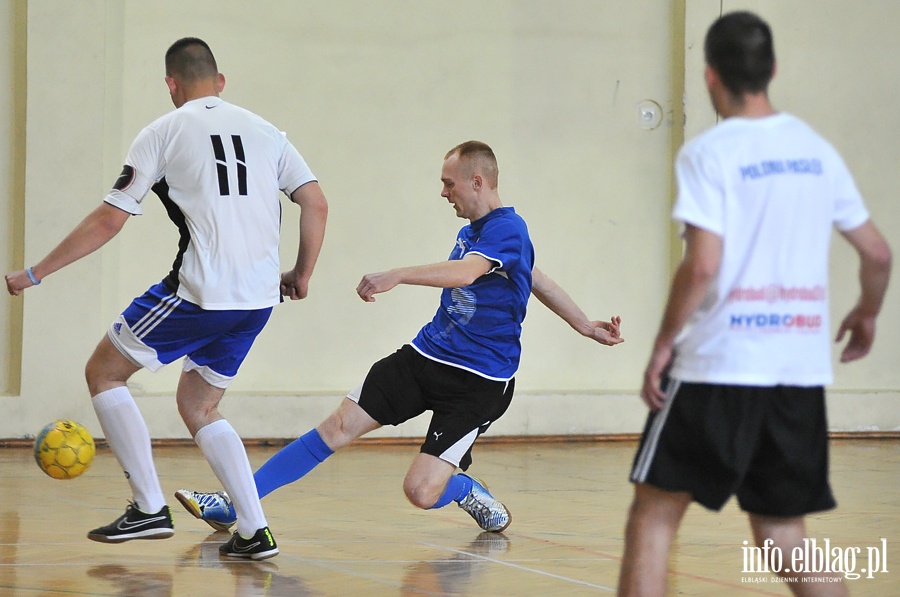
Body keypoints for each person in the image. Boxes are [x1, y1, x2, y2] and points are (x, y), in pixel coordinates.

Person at [175, 140, 623, 535]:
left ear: (478, 181)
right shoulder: (475, 232)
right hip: (425, 357)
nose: (443, 192)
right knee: (336, 427)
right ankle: (237, 504)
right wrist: (584, 324)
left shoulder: (509, 228)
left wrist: (399, 274)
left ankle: (464, 487)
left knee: (420, 492)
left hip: (479, 383)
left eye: (449, 183)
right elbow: (536, 278)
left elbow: (468, 274)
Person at [5, 37, 328, 561]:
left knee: (104, 371)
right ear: (220, 83)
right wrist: (302, 273)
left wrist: (37, 272)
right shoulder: (268, 132)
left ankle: (149, 506)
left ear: (171, 85)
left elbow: (111, 217)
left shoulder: (163, 131)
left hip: (200, 294)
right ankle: (254, 530)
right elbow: (315, 202)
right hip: (258, 299)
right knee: (198, 404)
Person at [617, 11, 891, 597]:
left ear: (710, 76)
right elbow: (878, 253)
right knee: (783, 533)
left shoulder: (709, 154)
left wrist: (663, 342)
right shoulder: (816, 151)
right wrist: (867, 313)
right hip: (796, 373)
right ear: (772, 70)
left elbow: (704, 264)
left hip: (719, 365)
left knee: (655, 514)